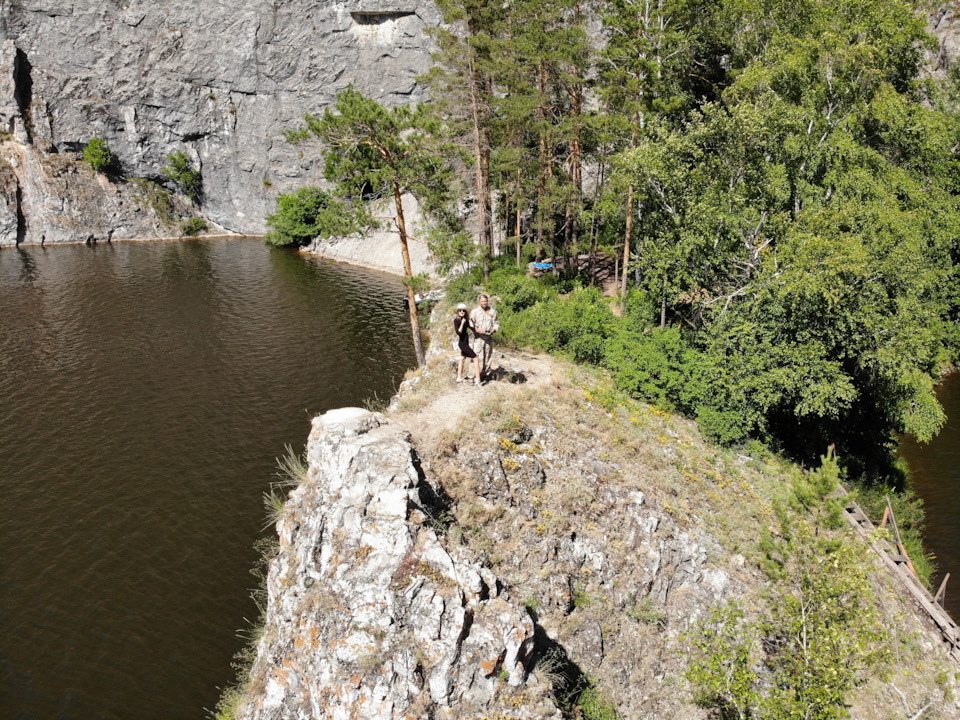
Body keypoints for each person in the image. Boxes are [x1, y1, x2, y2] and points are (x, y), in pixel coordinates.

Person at [469, 293, 499, 382]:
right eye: (482, 301)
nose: (484, 303)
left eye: (485, 301)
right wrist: (476, 330)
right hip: (479, 338)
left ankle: (485, 374)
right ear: (479, 301)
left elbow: (496, 323)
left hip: (489, 337)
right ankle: (472, 376)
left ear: (487, 301)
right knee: (476, 356)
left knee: (488, 356)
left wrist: (494, 329)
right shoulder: (474, 312)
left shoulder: (492, 311)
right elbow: (470, 324)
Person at [453, 304, 482, 386]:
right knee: (476, 358)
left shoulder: (465, 319)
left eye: (463, 310)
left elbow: (472, 328)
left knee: (462, 358)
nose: (462, 312)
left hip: (465, 342)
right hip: (462, 344)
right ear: (458, 312)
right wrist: (462, 323)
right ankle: (478, 379)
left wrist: (479, 329)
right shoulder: (456, 321)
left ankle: (459, 377)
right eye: (460, 310)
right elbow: (458, 333)